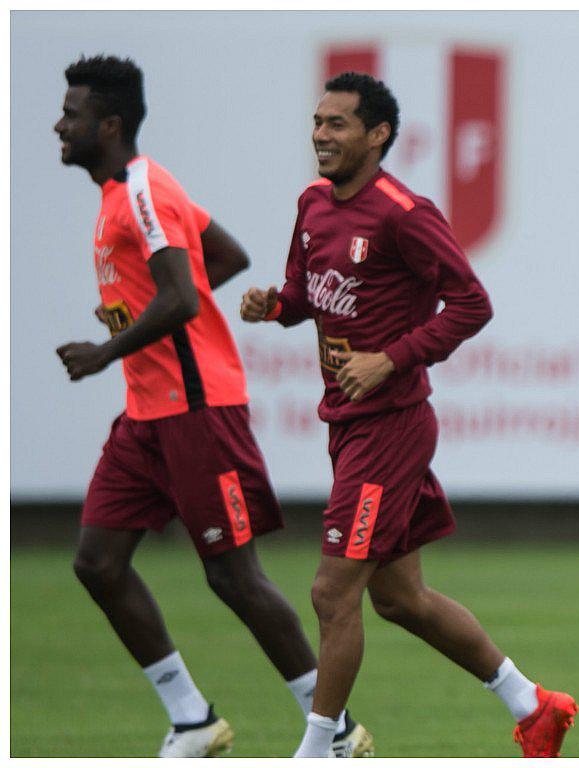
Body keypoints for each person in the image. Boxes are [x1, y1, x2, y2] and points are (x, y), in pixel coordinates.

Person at [239, 72, 577, 759]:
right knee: (399, 599)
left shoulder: (404, 212)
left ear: (378, 135)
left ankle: (319, 750)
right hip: (347, 422)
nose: (320, 135)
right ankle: (532, 705)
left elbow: (472, 303)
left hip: (391, 428)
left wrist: (391, 359)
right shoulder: (313, 204)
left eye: (337, 124)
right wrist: (274, 306)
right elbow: (308, 294)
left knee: (333, 592)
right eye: (317, 121)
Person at [53, 55, 371, 757]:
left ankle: (336, 730)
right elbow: (221, 255)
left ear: (108, 124)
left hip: (198, 411)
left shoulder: (143, 189)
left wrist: (108, 348)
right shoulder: (120, 194)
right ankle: (192, 719)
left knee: (234, 576)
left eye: (71, 114)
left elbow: (184, 295)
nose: (59, 125)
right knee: (97, 563)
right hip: (146, 415)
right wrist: (142, 329)